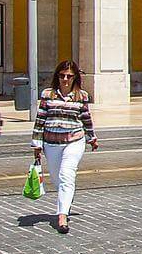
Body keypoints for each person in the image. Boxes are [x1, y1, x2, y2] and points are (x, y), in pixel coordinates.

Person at [32, 59, 96, 234]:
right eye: (62, 76)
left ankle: (62, 216)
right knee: (57, 179)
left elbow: (86, 118)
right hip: (51, 143)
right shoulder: (47, 94)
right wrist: (36, 144)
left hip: (74, 141)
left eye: (69, 76)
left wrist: (91, 137)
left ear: (75, 77)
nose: (65, 79)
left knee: (66, 175)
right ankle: (66, 202)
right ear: (57, 76)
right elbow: (40, 120)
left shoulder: (81, 96)